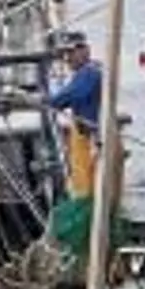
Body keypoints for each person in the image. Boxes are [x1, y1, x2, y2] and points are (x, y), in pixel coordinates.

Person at [47, 31, 104, 198]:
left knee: (86, 186)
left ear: (85, 50)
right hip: (87, 136)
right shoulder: (87, 72)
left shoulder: (89, 73)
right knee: (84, 182)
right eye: (65, 54)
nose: (67, 58)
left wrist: (45, 99)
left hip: (91, 138)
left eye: (71, 52)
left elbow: (67, 97)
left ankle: (88, 211)